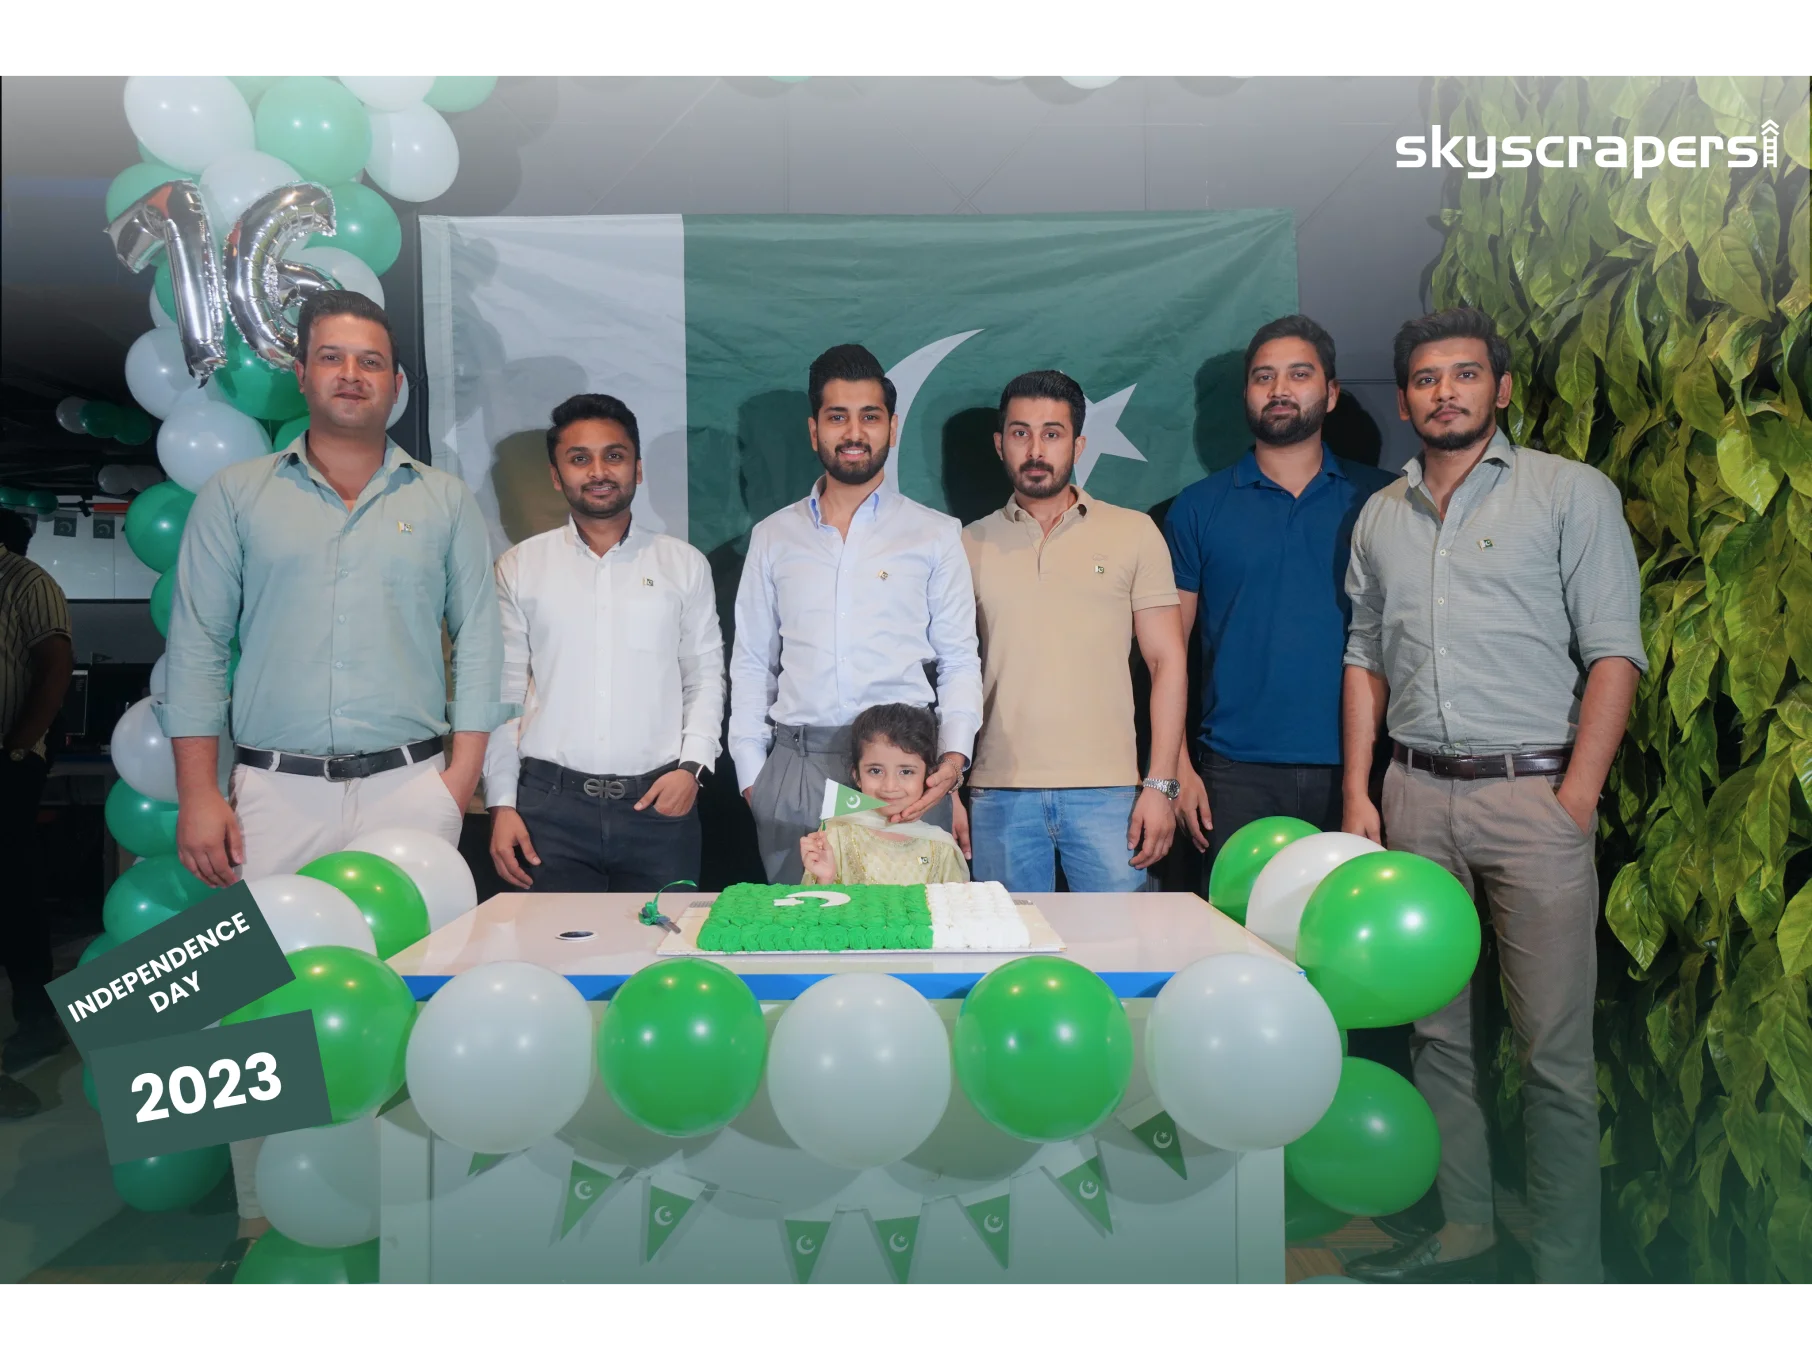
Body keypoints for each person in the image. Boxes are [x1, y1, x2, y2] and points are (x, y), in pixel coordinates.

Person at [159, 290, 513, 1284]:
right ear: (302, 371)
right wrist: (200, 793)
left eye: (370, 361)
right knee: (260, 1006)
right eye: (332, 357)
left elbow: (481, 645)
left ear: (395, 383)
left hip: (410, 791)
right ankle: (262, 1216)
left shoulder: (442, 501)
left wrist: (457, 782)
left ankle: (410, 1212)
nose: (352, 375)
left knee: (412, 997)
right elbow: (198, 646)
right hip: (275, 794)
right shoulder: (236, 496)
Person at [1340, 307, 1643, 1288]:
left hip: (1533, 798)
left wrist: (1576, 796)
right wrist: (1360, 791)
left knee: (1553, 1053)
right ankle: (1467, 1229)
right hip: (1414, 795)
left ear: (1500, 389)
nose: (1446, 393)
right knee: (1436, 1038)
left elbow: (1614, 651)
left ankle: (1567, 1265)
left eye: (1465, 374)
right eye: (1427, 379)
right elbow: (1363, 657)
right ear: (1404, 400)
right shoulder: (1382, 515)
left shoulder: (1569, 492)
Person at [730, 343, 981, 885]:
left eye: (869, 417)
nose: (853, 432)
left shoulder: (935, 534)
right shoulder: (774, 536)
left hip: (903, 775)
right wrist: (754, 777)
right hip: (797, 769)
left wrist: (951, 763)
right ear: (813, 430)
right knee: (800, 926)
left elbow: (960, 659)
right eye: (837, 416)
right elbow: (751, 663)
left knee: (910, 927)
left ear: (892, 427)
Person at [1161, 316, 1396, 868]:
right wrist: (1177, 769)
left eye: (1299, 374)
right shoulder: (1197, 508)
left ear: (1331, 394)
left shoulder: (1385, 501)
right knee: (1235, 921)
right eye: (1264, 377)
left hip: (1362, 772)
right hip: (1231, 776)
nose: (1280, 389)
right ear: (1246, 394)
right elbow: (1167, 652)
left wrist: (1365, 783)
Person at [486, 394, 723, 892]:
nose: (598, 472)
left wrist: (692, 770)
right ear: (556, 476)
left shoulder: (683, 565)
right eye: (580, 459)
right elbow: (504, 694)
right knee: (551, 943)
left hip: (660, 806)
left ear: (637, 468)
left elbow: (703, 678)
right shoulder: (520, 567)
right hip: (547, 810)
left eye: (614, 456)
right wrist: (502, 803)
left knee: (662, 942)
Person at [962, 370, 1187, 892]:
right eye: (1020, 433)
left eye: (1052, 433)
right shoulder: (966, 544)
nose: (1035, 449)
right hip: (999, 792)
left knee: (1119, 939)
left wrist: (1160, 785)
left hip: (1110, 792)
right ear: (999, 444)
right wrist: (951, 785)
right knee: (1009, 941)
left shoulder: (1133, 533)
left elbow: (1167, 662)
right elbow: (949, 671)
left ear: (1078, 445)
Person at [0, 508, 74, 1083]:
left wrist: (19, 749)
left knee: (13, 890)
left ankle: (37, 1019)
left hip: (7, 761)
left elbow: (56, 668)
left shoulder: (26, 581)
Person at [799, 703, 969, 886]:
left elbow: (953, 902)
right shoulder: (834, 836)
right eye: (876, 771)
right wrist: (825, 879)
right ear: (857, 776)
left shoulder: (941, 846)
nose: (890, 786)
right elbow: (815, 902)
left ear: (928, 775)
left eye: (906, 772)